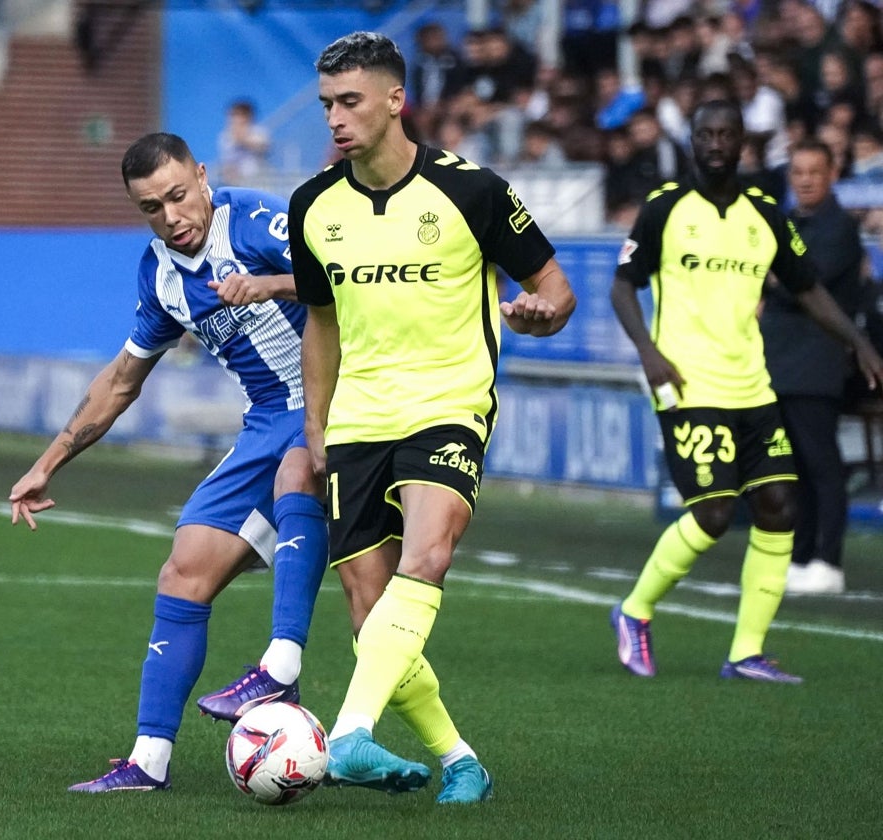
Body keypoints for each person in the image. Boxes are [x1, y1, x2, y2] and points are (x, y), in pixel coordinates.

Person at [290, 32, 576, 803]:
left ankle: (348, 734)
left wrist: (539, 316)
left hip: (448, 405)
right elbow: (321, 321)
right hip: (358, 419)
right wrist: (316, 426)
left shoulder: (473, 191)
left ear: (395, 99)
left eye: (350, 102)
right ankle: (460, 760)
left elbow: (556, 288)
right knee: (368, 609)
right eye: (326, 106)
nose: (336, 120)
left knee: (429, 557)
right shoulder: (314, 206)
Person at [8, 132, 328, 793]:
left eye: (179, 196)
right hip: (268, 419)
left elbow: (343, 282)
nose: (172, 216)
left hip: (336, 402)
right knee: (183, 572)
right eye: (151, 207)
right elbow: (123, 380)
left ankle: (283, 668)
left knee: (311, 492)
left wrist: (268, 283)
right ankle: (147, 762)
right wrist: (50, 461)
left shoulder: (256, 220)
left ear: (203, 177)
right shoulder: (158, 274)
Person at [608, 101, 883, 684]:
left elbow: (807, 288)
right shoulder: (664, 208)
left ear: (741, 145)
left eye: (725, 135)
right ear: (691, 141)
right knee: (712, 513)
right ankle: (634, 611)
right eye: (705, 134)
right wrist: (649, 355)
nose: (715, 144)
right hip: (687, 383)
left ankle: (746, 651)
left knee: (780, 506)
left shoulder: (766, 214)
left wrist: (858, 341)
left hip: (752, 385)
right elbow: (623, 287)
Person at [763, 139, 866, 596]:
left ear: (832, 175)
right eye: (798, 172)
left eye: (814, 172)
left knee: (822, 462)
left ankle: (829, 560)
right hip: (778, 359)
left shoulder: (840, 227)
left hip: (817, 360)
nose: (804, 180)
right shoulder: (786, 222)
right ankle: (801, 557)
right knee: (792, 467)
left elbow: (807, 282)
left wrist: (771, 276)